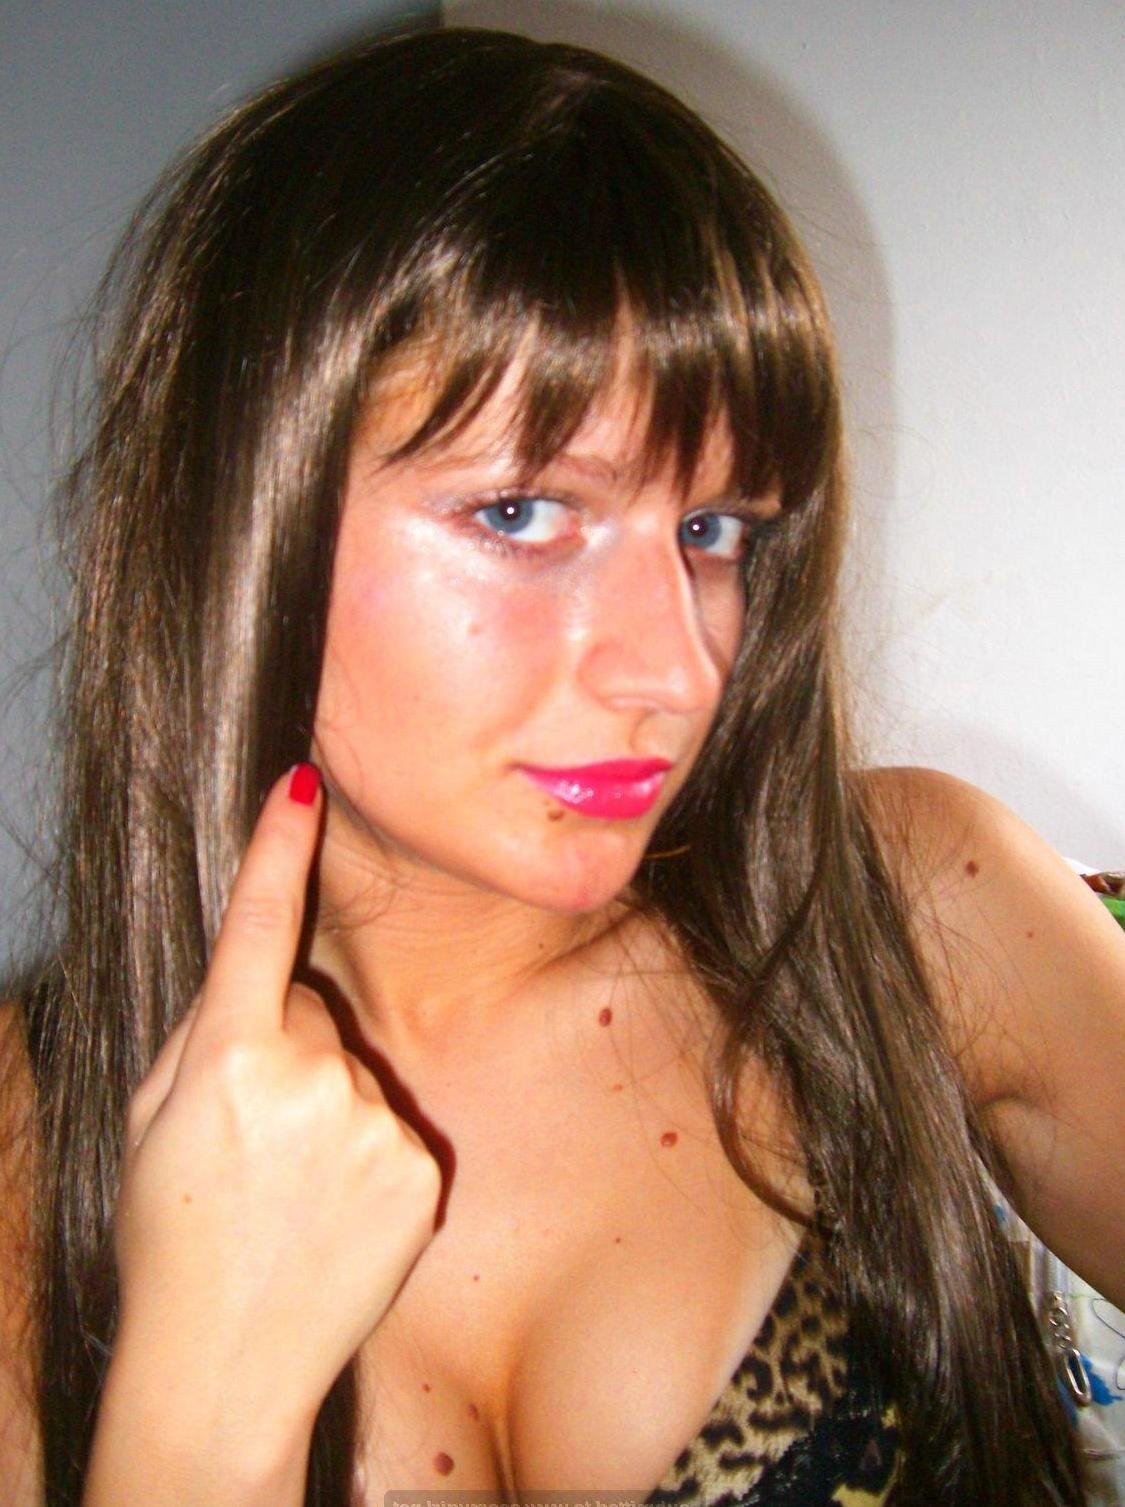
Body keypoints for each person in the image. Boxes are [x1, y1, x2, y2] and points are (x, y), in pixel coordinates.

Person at [0, 24, 1121, 1507]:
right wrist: (203, 1407)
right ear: (240, 521)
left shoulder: (904, 914)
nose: (678, 668)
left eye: (713, 531)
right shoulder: (32, 1130)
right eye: (522, 512)